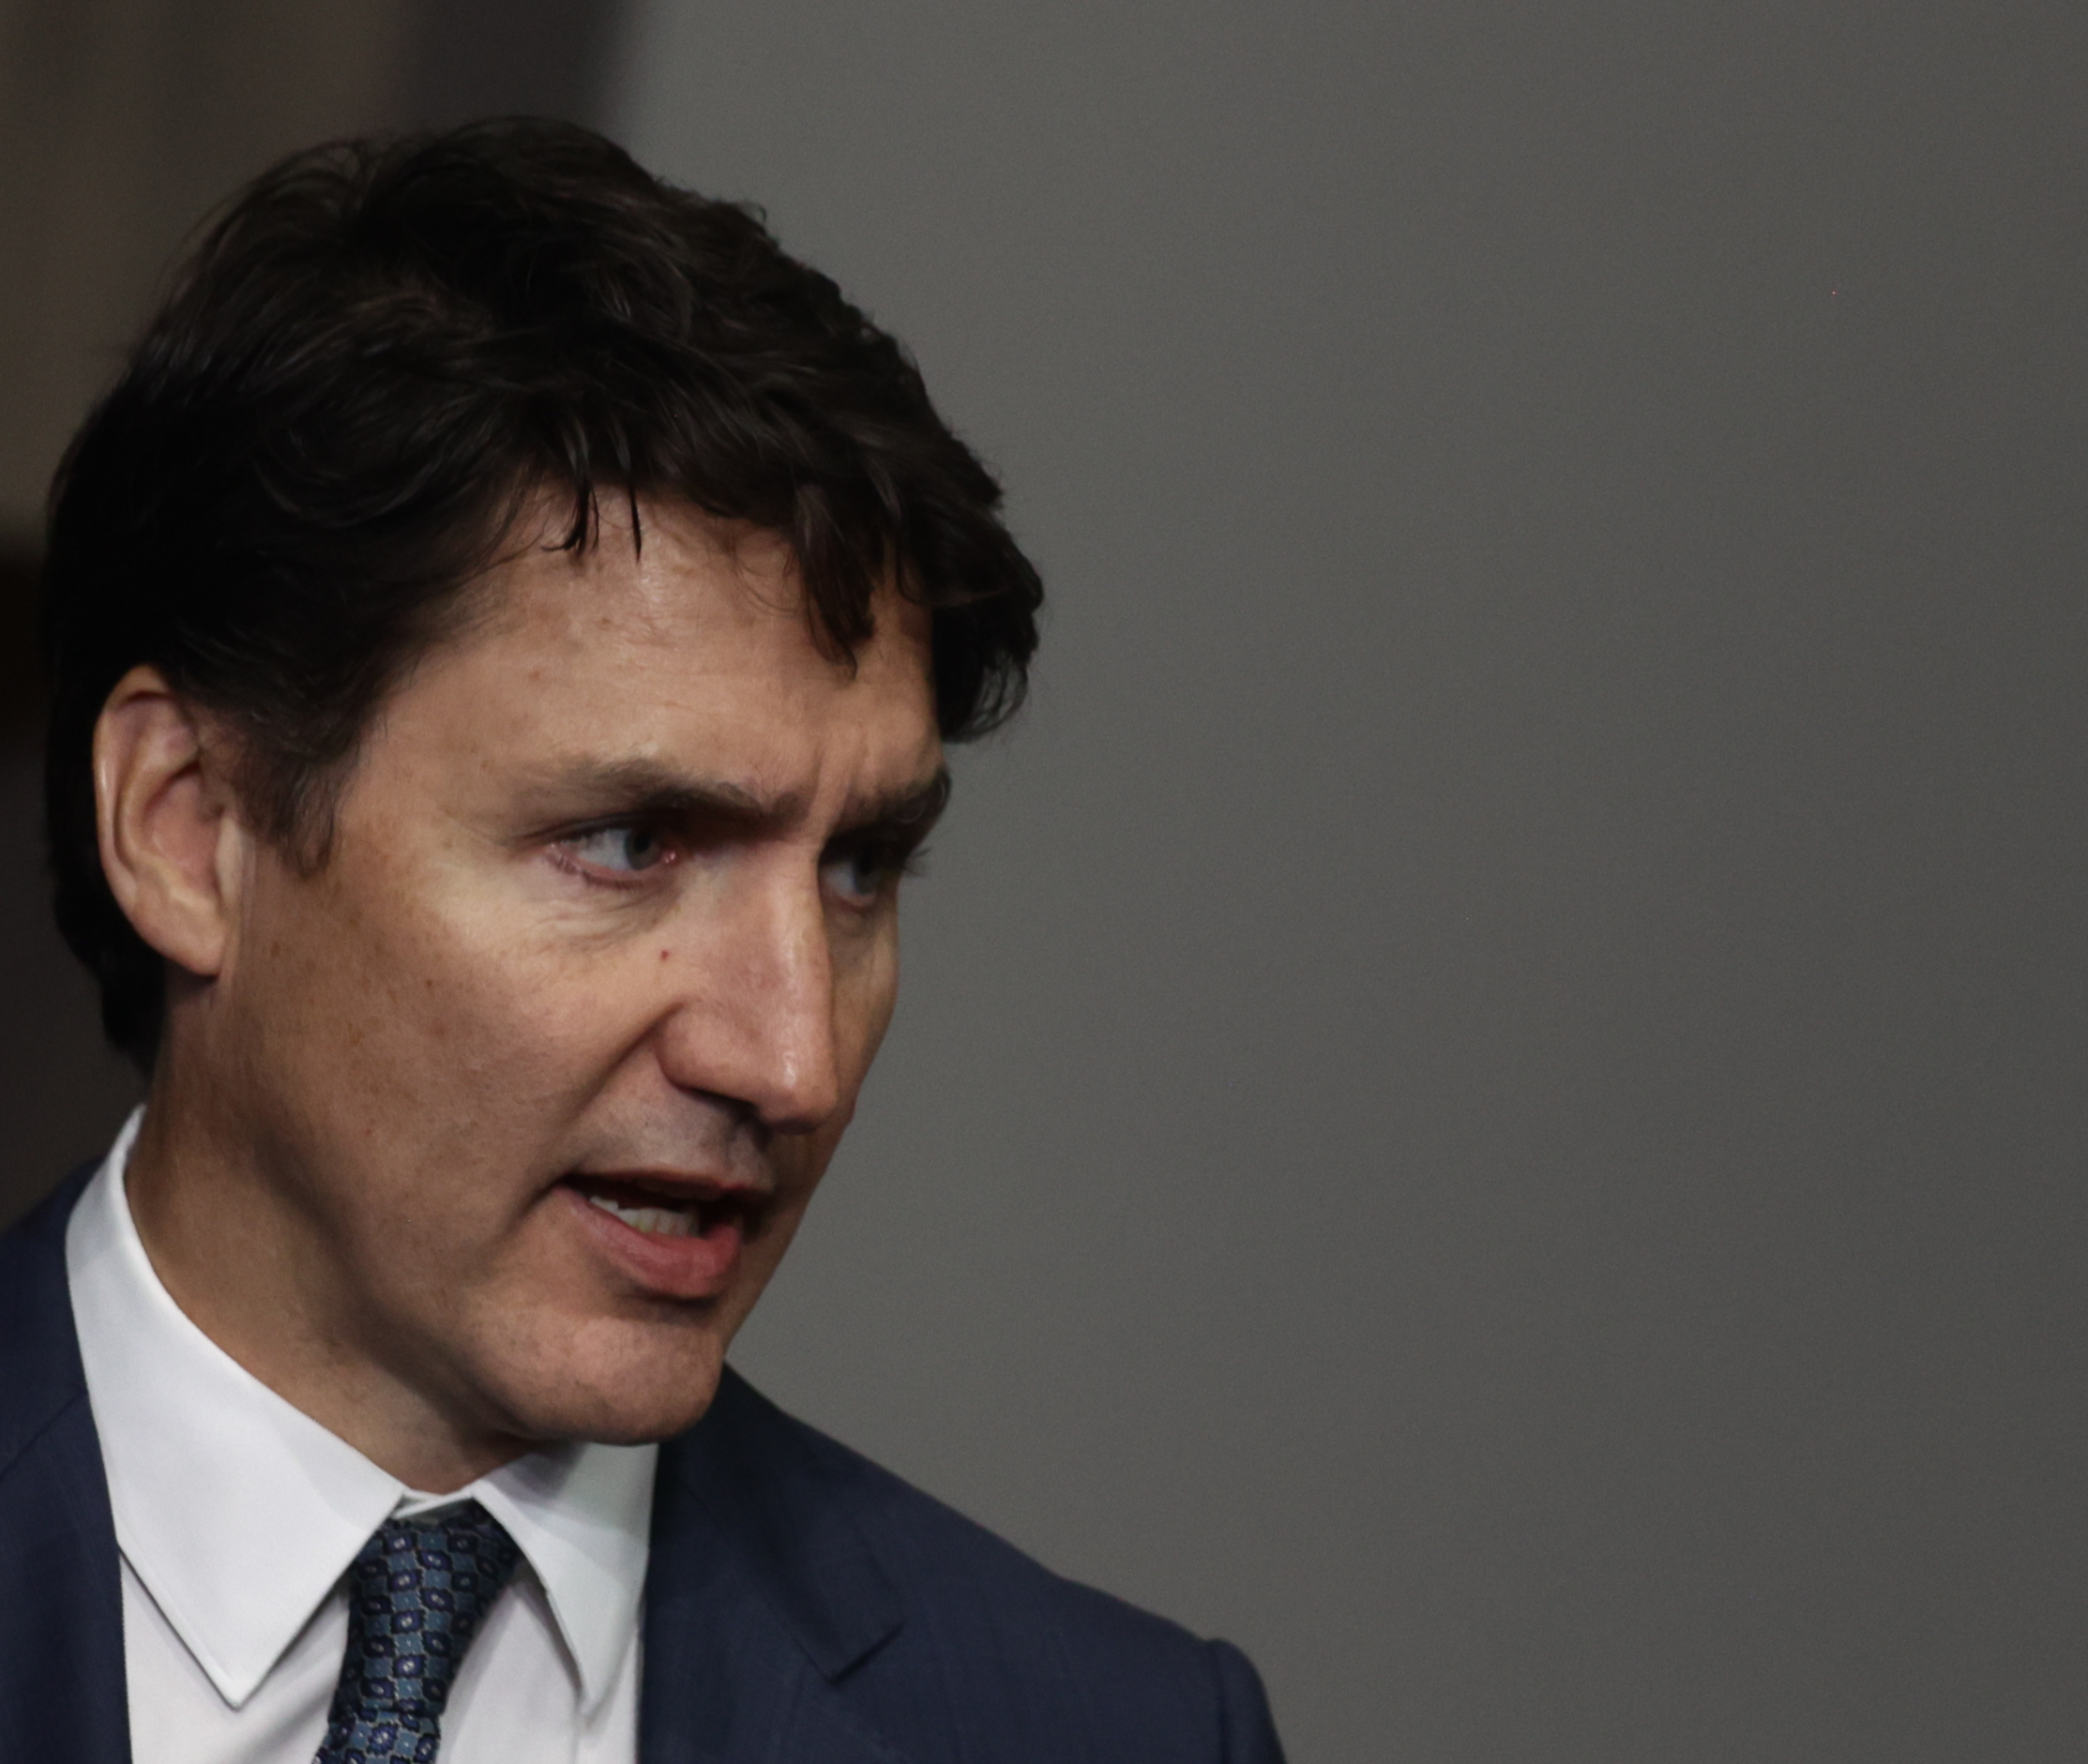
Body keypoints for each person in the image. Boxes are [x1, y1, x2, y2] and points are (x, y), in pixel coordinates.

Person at [0, 120, 1286, 1763]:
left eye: (860, 867)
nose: (792, 1055)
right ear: (189, 828)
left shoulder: (1116, 1733)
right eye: (631, 843)